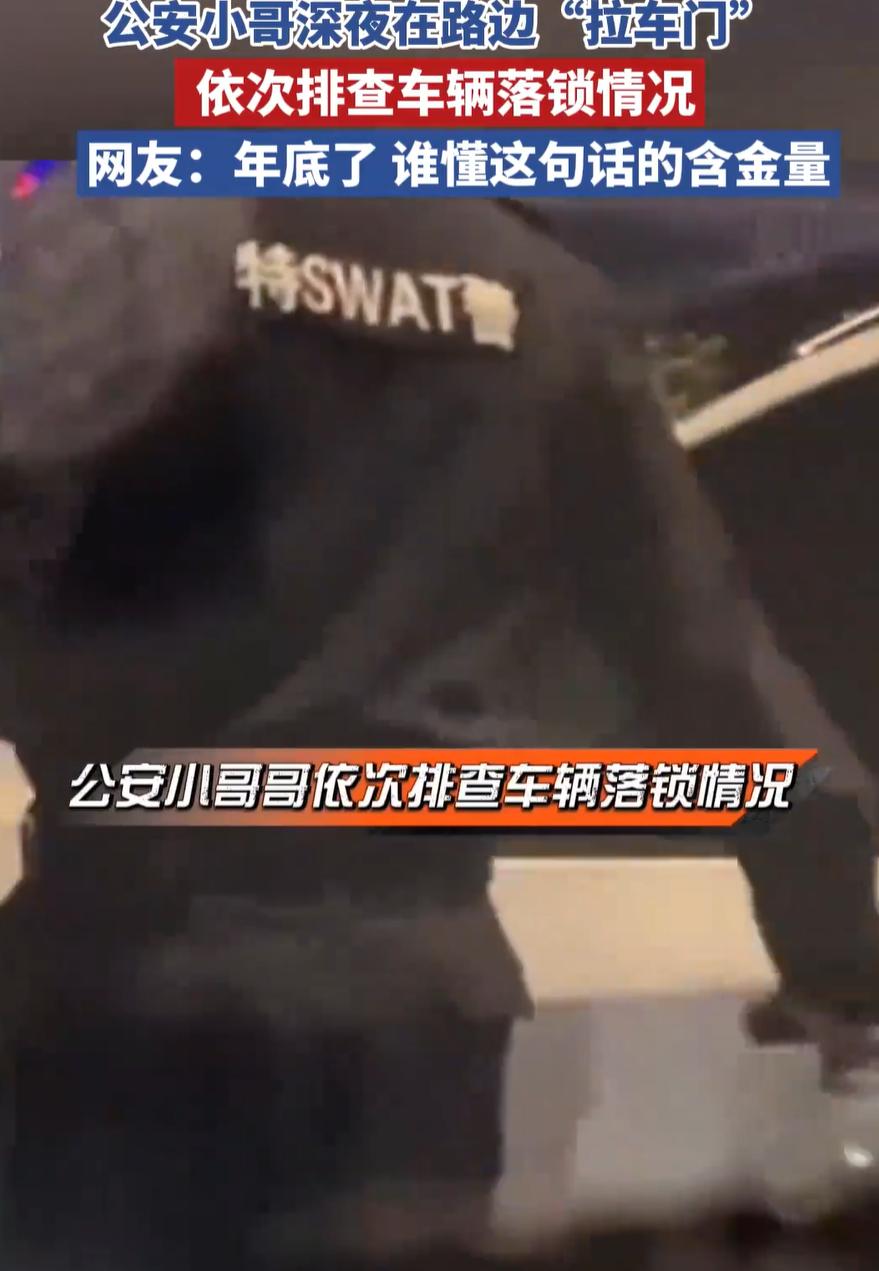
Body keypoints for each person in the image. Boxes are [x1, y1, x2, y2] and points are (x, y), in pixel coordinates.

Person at [0, 171, 878, 1269]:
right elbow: (710, 666)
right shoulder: (536, 294)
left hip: (119, 967)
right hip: (405, 1008)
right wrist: (837, 958)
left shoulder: (114, 249)